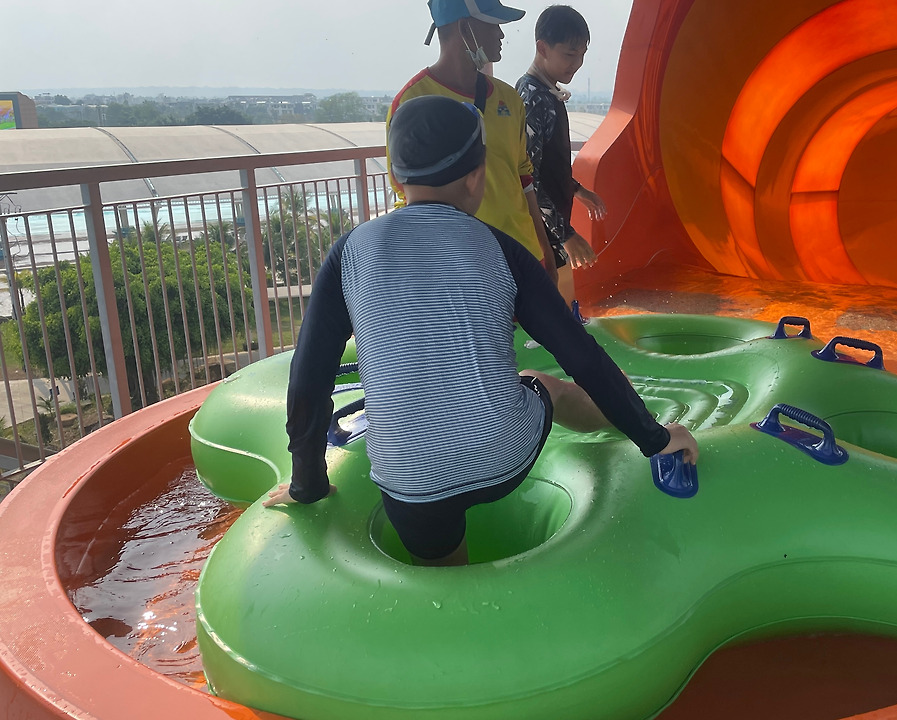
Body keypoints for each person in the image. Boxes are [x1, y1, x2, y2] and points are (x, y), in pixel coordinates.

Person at [269, 96, 699, 567]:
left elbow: (309, 378)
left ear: (395, 176)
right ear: (477, 177)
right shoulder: (500, 250)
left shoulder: (349, 253)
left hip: (409, 479)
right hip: (500, 454)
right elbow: (581, 355)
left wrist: (307, 484)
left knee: (448, 576)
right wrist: (655, 438)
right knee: (539, 382)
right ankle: (614, 420)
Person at [386, 0, 558, 281]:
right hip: (460, 266)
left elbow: (523, 177)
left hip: (523, 253)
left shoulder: (509, 98)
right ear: (465, 28)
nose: (501, 34)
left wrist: (545, 252)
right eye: (494, 25)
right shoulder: (412, 102)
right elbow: (405, 193)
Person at [517, 5, 607, 301]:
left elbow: (547, 165)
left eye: (582, 54)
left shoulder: (546, 92)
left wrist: (576, 189)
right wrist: (565, 235)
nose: (577, 63)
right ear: (542, 48)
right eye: (569, 54)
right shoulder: (533, 98)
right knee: (559, 314)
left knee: (566, 310)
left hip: (550, 231)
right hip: (541, 236)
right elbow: (527, 179)